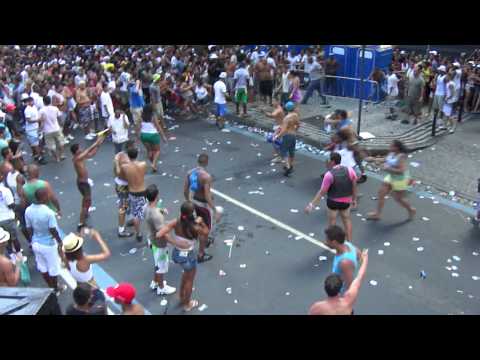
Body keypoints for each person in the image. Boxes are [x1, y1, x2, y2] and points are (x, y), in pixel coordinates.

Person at [156, 201, 209, 312]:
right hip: (188, 256)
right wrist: (202, 222)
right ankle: (187, 304)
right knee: (190, 280)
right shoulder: (195, 227)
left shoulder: (176, 221)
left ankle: (181, 295)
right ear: (192, 213)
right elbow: (206, 232)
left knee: (185, 274)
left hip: (177, 254)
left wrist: (175, 242)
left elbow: (159, 234)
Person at [305, 152, 357, 242]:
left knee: (332, 222)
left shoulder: (329, 175)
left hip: (333, 201)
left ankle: (330, 241)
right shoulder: (349, 170)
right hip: (346, 201)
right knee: (346, 220)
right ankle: (349, 242)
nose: (327, 162)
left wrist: (311, 205)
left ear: (332, 162)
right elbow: (354, 185)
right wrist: (354, 199)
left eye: (328, 160)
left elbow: (322, 192)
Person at [25, 188, 67, 295]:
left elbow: (29, 228)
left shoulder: (28, 210)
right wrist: (59, 241)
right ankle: (55, 288)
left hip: (36, 242)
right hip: (48, 244)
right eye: (47, 195)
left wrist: (32, 241)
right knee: (53, 268)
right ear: (43, 197)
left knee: (42, 267)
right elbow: (52, 229)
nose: (49, 196)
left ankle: (50, 287)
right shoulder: (49, 213)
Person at [367, 140, 416, 221]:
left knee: (399, 199)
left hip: (400, 180)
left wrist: (388, 168)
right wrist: (374, 159)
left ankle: (411, 209)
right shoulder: (391, 153)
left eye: (391, 146)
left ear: (396, 148)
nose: (389, 147)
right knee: (381, 193)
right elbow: (386, 159)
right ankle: (377, 214)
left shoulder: (401, 157)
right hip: (391, 177)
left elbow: (401, 171)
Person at [309, 249, 368, 315]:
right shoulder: (348, 300)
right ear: (340, 288)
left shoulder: (317, 307)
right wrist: (365, 259)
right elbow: (360, 276)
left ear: (325, 288)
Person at [184, 153, 219, 263]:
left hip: (194, 202)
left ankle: (205, 240)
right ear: (206, 162)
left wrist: (188, 201)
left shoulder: (190, 173)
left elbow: (185, 190)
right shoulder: (206, 177)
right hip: (203, 206)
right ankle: (201, 254)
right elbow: (207, 195)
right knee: (205, 230)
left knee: (198, 222)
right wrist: (214, 209)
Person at [144, 184, 176, 296]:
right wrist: (176, 243)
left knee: (157, 263)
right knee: (161, 266)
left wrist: (161, 211)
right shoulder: (156, 215)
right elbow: (163, 234)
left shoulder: (146, 207)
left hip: (151, 240)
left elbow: (154, 212)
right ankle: (161, 288)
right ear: (157, 196)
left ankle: (155, 282)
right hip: (159, 244)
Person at [71, 136, 106, 230]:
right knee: (86, 202)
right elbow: (88, 151)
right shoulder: (77, 159)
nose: (81, 149)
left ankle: (85, 214)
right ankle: (81, 223)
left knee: (86, 200)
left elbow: (91, 154)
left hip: (83, 182)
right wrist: (96, 143)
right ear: (76, 151)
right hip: (83, 184)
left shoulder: (80, 157)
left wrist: (98, 145)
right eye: (79, 148)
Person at [121, 147, 147, 242]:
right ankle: (138, 232)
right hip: (142, 190)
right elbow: (143, 174)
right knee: (139, 213)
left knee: (135, 211)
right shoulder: (143, 164)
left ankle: (137, 230)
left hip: (132, 191)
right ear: (137, 155)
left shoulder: (124, 167)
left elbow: (123, 177)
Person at [324, 225, 361, 293]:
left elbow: (350, 286)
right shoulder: (347, 244)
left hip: (339, 293)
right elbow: (359, 255)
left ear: (334, 242)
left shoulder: (344, 262)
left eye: (327, 241)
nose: (326, 243)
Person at [138, 104, 168, 173]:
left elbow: (138, 127)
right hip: (153, 135)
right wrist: (163, 137)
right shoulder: (153, 117)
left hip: (144, 135)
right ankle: (154, 164)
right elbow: (158, 127)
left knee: (149, 151)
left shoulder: (141, 117)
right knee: (157, 151)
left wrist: (138, 136)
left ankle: (153, 164)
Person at [274, 101, 300, 176]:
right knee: (292, 151)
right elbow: (298, 125)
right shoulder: (295, 115)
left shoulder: (286, 118)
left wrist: (277, 136)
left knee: (283, 151)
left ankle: (288, 167)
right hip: (293, 135)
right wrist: (295, 130)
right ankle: (291, 165)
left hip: (287, 135)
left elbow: (284, 129)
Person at [0, 166, 22, 254]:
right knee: (14, 238)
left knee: (5, 237)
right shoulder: (5, 190)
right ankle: (19, 254)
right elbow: (11, 205)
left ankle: (11, 254)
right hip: (8, 218)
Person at [113, 149, 134, 238]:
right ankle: (121, 230)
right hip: (123, 187)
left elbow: (116, 172)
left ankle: (130, 220)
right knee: (123, 207)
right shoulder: (126, 162)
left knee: (127, 204)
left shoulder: (119, 157)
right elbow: (119, 173)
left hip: (120, 185)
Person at [39, 96, 66, 162]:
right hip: (56, 128)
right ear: (50, 101)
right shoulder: (55, 108)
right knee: (61, 141)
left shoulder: (41, 110)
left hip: (47, 130)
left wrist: (40, 129)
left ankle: (57, 158)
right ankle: (62, 154)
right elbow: (59, 116)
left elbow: (40, 120)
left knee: (51, 145)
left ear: (44, 102)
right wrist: (61, 123)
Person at [23, 94, 46, 164]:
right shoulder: (27, 110)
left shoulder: (34, 107)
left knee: (36, 143)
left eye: (32, 101)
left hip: (36, 128)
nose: (32, 102)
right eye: (31, 101)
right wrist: (38, 120)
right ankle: (40, 157)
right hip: (31, 130)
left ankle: (36, 155)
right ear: (28, 102)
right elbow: (28, 120)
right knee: (35, 144)